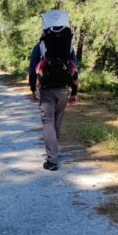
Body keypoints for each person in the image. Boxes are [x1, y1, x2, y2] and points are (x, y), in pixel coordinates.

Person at [28, 10, 78, 171]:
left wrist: (32, 88)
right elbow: (75, 70)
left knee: (48, 122)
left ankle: (52, 160)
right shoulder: (69, 47)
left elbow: (32, 70)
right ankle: (54, 152)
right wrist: (74, 92)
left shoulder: (40, 46)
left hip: (46, 90)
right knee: (57, 121)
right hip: (64, 89)